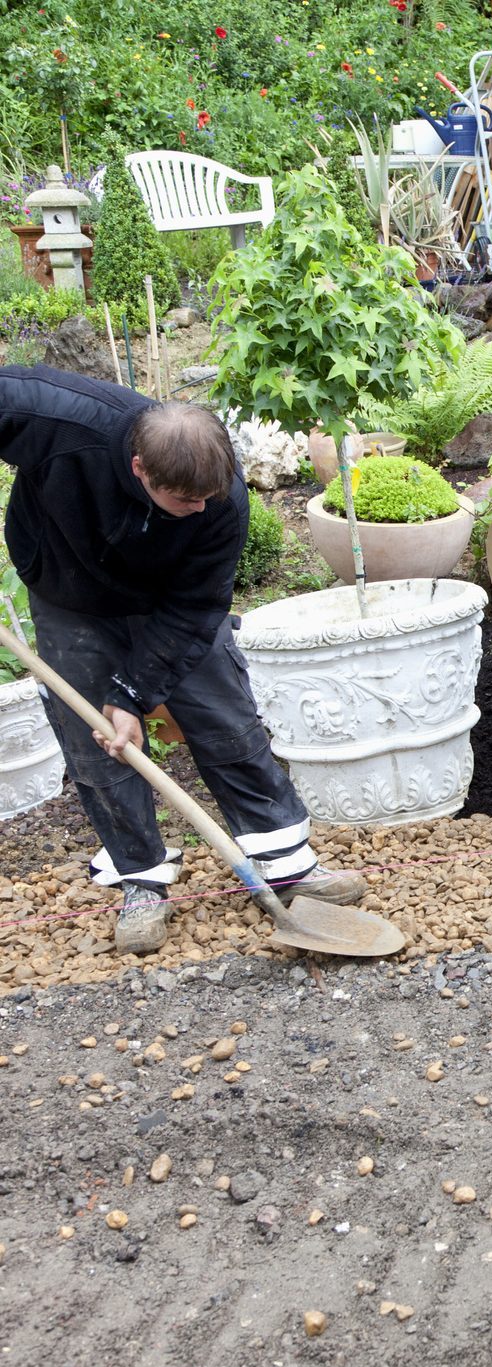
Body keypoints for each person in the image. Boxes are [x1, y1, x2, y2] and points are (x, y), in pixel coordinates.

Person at [0, 364, 365, 954]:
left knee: (225, 717)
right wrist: (113, 710)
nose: (198, 509)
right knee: (97, 741)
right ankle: (141, 880)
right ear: (140, 468)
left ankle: (285, 863)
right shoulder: (60, 416)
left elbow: (196, 608)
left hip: (168, 597)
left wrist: (133, 697)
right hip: (68, 587)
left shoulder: (220, 503)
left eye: (207, 498)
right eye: (183, 499)